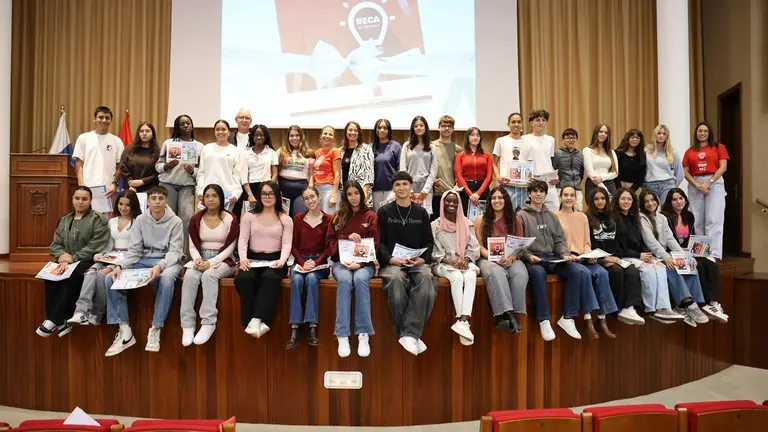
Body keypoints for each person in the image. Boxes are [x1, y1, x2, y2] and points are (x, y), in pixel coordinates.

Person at [104, 185, 184, 356]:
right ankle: (125, 330)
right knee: (110, 278)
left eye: (161, 198)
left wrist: (160, 265)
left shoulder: (176, 221)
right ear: (147, 201)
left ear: (166, 201)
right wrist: (120, 266)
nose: (157, 202)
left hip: (168, 261)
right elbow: (134, 251)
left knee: (166, 278)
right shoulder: (140, 220)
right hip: (143, 260)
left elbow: (175, 252)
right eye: (153, 198)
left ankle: (156, 328)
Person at [518, 180, 599, 341]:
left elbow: (559, 240)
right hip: (532, 259)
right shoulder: (521, 216)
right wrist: (528, 256)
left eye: (542, 191)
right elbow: (518, 243)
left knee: (575, 271)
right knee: (538, 274)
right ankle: (544, 319)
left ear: (545, 194)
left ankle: (568, 317)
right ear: (529, 194)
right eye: (535, 191)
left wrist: (564, 254)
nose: (538, 194)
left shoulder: (551, 216)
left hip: (551, 257)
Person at [37, 187, 109, 337]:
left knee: (74, 274)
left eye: (84, 199)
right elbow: (56, 244)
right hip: (66, 261)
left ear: (90, 200)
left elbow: (96, 245)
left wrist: (73, 258)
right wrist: (62, 257)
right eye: (77, 198)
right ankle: (56, 320)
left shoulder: (98, 219)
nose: (80, 202)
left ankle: (55, 319)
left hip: (87, 260)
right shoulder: (65, 220)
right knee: (51, 275)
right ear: (72, 199)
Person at [377, 171, 436, 356]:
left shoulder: (421, 212)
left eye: (405, 184)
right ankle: (411, 335)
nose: (401, 187)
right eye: (397, 184)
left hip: (417, 261)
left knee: (427, 279)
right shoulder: (384, 212)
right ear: (393, 189)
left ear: (411, 187)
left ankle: (408, 334)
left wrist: (422, 258)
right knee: (395, 281)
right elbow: (379, 242)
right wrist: (391, 259)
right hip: (393, 262)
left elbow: (429, 242)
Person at [67, 189, 142, 327]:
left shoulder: (138, 222)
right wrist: (100, 255)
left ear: (133, 206)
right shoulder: (111, 221)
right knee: (90, 272)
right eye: (120, 204)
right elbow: (107, 244)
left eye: (127, 205)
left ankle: (97, 314)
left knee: (102, 275)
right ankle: (81, 312)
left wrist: (117, 263)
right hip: (111, 255)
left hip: (127, 259)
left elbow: (136, 250)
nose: (123, 208)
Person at [638, 190, 709, 326]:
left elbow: (670, 240)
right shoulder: (641, 218)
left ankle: (689, 306)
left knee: (689, 264)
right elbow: (651, 242)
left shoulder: (662, 218)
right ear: (642, 204)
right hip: (651, 255)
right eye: (646, 201)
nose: (650, 203)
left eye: (652, 200)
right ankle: (688, 303)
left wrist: (685, 256)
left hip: (664, 253)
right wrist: (666, 257)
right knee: (671, 267)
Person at [555, 186, 619, 338]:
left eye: (572, 195)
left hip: (582, 257)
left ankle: (602, 318)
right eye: (566, 195)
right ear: (560, 196)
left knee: (602, 273)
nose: (569, 198)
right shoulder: (554, 216)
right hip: (566, 259)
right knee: (584, 274)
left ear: (576, 197)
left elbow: (586, 242)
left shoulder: (582, 217)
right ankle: (588, 318)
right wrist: (567, 255)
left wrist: (589, 254)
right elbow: (555, 242)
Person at [613, 188, 684, 323]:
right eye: (623, 199)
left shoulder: (633, 218)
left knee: (659, 266)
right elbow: (617, 246)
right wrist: (639, 255)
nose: (626, 201)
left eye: (629, 199)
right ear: (617, 200)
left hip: (637, 255)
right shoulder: (614, 218)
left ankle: (663, 307)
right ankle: (650, 308)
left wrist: (649, 256)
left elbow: (641, 241)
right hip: (624, 256)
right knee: (647, 269)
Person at [180, 184, 239, 346]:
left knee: (209, 275)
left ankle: (208, 322)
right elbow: (192, 244)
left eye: (214, 196)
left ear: (221, 198)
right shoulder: (196, 219)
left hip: (224, 260)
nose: (211, 199)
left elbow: (230, 248)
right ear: (203, 199)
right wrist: (198, 259)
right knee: (190, 276)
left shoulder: (230, 219)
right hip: (201, 257)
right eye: (207, 196)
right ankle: (187, 324)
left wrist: (210, 263)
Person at [326, 181, 378, 357]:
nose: (353, 197)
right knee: (345, 279)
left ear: (361, 195)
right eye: (349, 194)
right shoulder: (338, 217)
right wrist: (346, 240)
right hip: (342, 264)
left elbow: (375, 244)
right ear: (345, 196)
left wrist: (360, 264)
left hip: (364, 265)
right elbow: (329, 244)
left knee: (360, 279)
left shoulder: (370, 216)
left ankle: (363, 333)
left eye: (356, 193)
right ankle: (342, 334)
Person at [234, 181, 293, 338]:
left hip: (276, 260)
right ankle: (255, 321)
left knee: (270, 277)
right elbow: (243, 240)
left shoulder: (285, 219)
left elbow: (287, 243)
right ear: (259, 196)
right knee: (244, 278)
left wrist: (282, 260)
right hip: (253, 258)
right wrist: (243, 259)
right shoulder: (249, 216)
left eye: (271, 193)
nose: (267, 197)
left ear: (277, 196)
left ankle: (255, 320)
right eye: (264, 194)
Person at [661, 188, 729, 322]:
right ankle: (701, 304)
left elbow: (691, 237)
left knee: (711, 264)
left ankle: (712, 303)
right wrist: (683, 250)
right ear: (669, 202)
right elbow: (667, 240)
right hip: (672, 252)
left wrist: (699, 248)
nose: (678, 202)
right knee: (698, 267)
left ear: (685, 200)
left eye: (681, 198)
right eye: (674, 199)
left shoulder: (689, 216)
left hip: (687, 251)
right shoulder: (665, 217)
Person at [584, 188, 645, 326]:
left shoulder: (613, 217)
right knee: (616, 271)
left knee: (632, 269)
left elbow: (617, 241)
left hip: (612, 256)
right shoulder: (586, 218)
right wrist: (603, 259)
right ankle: (617, 309)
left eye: (603, 198)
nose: (600, 202)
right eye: (596, 199)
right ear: (591, 201)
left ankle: (629, 308)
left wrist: (616, 256)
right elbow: (588, 245)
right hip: (596, 259)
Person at [475, 186, 528, 334]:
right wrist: (494, 258)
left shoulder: (515, 219)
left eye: (500, 198)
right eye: (493, 198)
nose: (496, 201)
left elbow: (519, 245)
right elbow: (478, 246)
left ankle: (515, 313)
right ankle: (508, 315)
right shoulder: (480, 220)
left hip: (510, 258)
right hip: (487, 258)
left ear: (506, 200)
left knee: (520, 272)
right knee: (495, 272)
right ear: (489, 201)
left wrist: (511, 258)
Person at [432, 189, 481, 345]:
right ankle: (463, 321)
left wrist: (465, 259)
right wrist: (451, 262)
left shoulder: (467, 223)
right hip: (443, 264)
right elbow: (434, 252)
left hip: (463, 262)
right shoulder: (435, 226)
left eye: (455, 201)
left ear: (459, 204)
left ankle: (463, 321)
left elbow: (474, 247)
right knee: (457, 277)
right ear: (442, 203)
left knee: (471, 275)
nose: (451, 203)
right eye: (448, 200)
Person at [287, 186, 332, 349]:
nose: (310, 201)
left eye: (312, 197)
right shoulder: (298, 219)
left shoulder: (329, 219)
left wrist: (316, 262)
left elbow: (329, 247)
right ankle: (295, 328)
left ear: (319, 197)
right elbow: (294, 246)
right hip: (301, 261)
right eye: (306, 198)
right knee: (297, 280)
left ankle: (312, 326)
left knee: (312, 279)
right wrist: (302, 262)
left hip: (319, 262)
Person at [156, 114, 203, 260]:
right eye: (182, 124)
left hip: (187, 186)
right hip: (168, 184)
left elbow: (202, 170)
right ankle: (164, 254)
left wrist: (193, 171)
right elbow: (158, 166)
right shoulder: (168, 143)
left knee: (187, 220)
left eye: (188, 123)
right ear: (177, 126)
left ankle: (185, 256)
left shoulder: (199, 146)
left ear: (192, 125)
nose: (186, 126)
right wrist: (166, 166)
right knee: (166, 218)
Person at [682, 121, 729, 260]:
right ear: (696, 133)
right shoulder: (690, 151)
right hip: (695, 183)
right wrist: (698, 185)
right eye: (700, 131)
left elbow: (723, 167)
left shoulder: (718, 147)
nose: (702, 133)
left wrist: (709, 182)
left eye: (705, 131)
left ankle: (712, 254)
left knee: (713, 219)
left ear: (709, 133)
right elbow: (686, 172)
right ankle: (699, 253)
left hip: (714, 182)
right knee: (696, 219)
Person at [73, 106, 125, 198]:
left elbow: (120, 166)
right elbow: (79, 163)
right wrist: (81, 184)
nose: (104, 120)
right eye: (101, 117)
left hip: (109, 189)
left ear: (111, 120)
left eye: (107, 118)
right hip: (87, 187)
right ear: (94, 119)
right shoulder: (83, 138)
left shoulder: (117, 141)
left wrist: (114, 184)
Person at [196, 120, 241, 216]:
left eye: (223, 129)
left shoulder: (235, 151)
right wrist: (200, 190)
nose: (220, 132)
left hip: (228, 194)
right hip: (209, 193)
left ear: (229, 132)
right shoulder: (207, 148)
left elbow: (237, 175)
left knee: (226, 221)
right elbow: (201, 172)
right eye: (217, 129)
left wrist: (236, 194)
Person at [235, 124, 279, 219]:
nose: (259, 137)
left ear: (266, 136)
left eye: (261, 135)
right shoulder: (245, 153)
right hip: (249, 188)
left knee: (266, 216)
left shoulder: (272, 152)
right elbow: (243, 176)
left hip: (266, 187)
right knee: (251, 217)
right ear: (252, 136)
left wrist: (269, 189)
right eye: (256, 135)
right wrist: (250, 195)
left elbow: (275, 174)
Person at [522, 109, 560, 211]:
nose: (541, 123)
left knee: (554, 209)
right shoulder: (524, 139)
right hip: (532, 180)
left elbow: (548, 160)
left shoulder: (550, 139)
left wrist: (555, 176)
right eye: (538, 120)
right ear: (531, 122)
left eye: (543, 120)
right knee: (532, 211)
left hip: (548, 181)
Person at [400, 116, 438, 215]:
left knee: (425, 216)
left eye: (421, 125)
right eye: (416, 126)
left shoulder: (432, 147)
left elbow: (433, 170)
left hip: (426, 186)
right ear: (413, 128)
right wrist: (408, 188)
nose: (419, 128)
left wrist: (426, 189)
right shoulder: (406, 146)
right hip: (410, 186)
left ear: (425, 127)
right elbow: (403, 169)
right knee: (409, 216)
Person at [493, 113, 530, 211]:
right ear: (508, 124)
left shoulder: (528, 142)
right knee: (507, 214)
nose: (516, 124)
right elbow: (494, 163)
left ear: (522, 124)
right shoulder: (501, 141)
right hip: (507, 185)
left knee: (522, 216)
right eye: (513, 122)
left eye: (519, 122)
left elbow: (530, 163)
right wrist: (498, 176)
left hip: (523, 187)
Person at [278, 125, 315, 217]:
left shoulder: (309, 153)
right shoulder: (281, 151)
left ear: (301, 137)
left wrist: (310, 189)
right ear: (288, 137)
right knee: (284, 217)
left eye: (297, 135)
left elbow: (311, 173)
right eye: (291, 135)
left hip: (301, 189)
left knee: (299, 216)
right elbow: (275, 171)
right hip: (283, 189)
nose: (294, 138)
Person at [455, 127, 493, 216]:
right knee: (465, 217)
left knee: (484, 217)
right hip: (466, 189)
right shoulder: (460, 155)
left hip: (483, 189)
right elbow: (459, 175)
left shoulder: (487, 155)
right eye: (472, 135)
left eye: (477, 135)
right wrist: (470, 194)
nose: (475, 137)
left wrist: (478, 194)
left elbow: (489, 175)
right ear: (467, 137)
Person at [431, 115, 462, 221]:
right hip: (436, 193)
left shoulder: (457, 149)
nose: (446, 128)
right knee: (435, 223)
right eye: (443, 126)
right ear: (438, 127)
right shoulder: (431, 146)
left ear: (453, 129)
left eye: (449, 126)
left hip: (452, 192)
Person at [643, 124, 683, 203]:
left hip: (667, 185)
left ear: (667, 136)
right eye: (659, 133)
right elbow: (642, 169)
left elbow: (680, 172)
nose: (661, 136)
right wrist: (643, 185)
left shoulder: (672, 151)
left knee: (666, 208)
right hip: (650, 185)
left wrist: (674, 187)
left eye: (664, 134)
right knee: (654, 208)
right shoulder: (646, 150)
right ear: (655, 134)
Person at [340, 121, 374, 208]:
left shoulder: (366, 148)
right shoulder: (340, 151)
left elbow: (369, 172)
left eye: (355, 130)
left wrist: (365, 191)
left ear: (359, 133)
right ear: (346, 132)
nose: (353, 132)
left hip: (361, 193)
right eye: (350, 130)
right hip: (345, 194)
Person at [120, 122, 159, 193]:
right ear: (138, 133)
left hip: (150, 190)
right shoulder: (129, 148)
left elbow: (158, 173)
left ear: (152, 133)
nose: (144, 133)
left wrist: (142, 181)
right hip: (130, 188)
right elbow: (123, 166)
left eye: (147, 131)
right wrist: (131, 183)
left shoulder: (157, 151)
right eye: (141, 131)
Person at [371, 118, 402, 211]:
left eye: (385, 128)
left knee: (391, 215)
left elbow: (399, 168)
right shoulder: (371, 147)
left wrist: (398, 187)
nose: (382, 130)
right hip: (375, 190)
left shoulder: (396, 146)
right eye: (379, 127)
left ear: (389, 130)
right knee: (378, 215)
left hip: (391, 189)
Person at [583, 124, 618, 200]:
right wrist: (605, 190)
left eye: (606, 132)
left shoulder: (612, 152)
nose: (603, 134)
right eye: (601, 131)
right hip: (593, 185)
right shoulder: (587, 150)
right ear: (596, 133)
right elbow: (590, 173)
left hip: (610, 184)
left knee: (611, 207)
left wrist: (602, 178)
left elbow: (615, 172)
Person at [552, 128, 584, 211]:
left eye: (573, 138)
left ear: (577, 140)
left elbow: (581, 173)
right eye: (568, 138)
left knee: (577, 211)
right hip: (561, 189)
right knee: (559, 212)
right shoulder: (557, 154)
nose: (571, 140)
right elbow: (553, 170)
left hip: (576, 189)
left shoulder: (580, 155)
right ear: (563, 139)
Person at [313, 126, 342, 214]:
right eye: (325, 133)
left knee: (329, 218)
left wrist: (334, 194)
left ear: (334, 139)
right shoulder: (316, 152)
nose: (327, 136)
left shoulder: (335, 151)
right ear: (320, 136)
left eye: (330, 134)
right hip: (317, 189)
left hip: (329, 189)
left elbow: (337, 174)